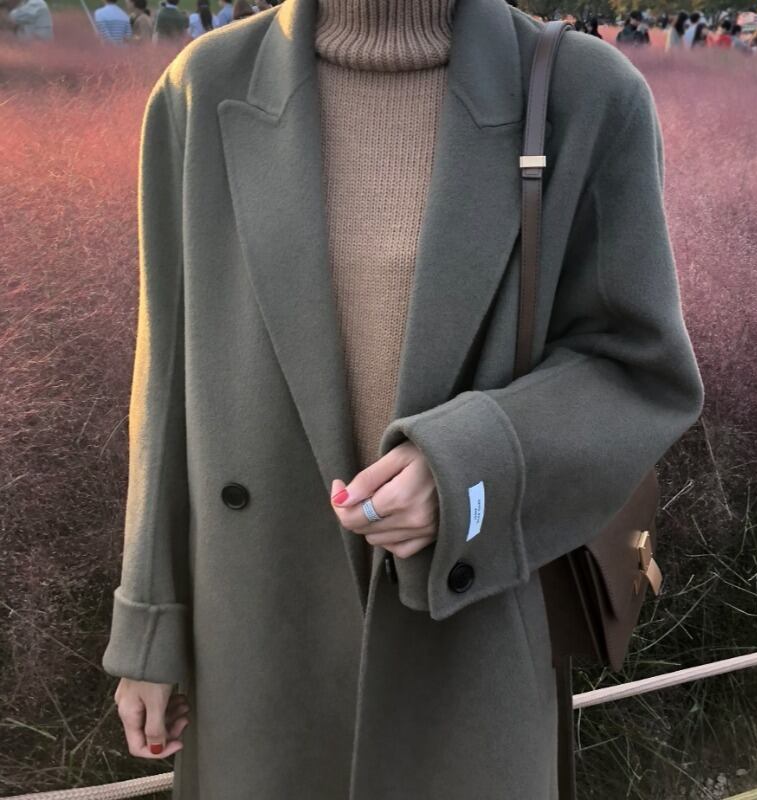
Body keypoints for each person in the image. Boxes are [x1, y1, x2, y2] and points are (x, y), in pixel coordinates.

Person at [101, 0, 705, 798]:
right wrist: (148, 626)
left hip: (473, 628)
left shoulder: (585, 94)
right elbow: (165, 382)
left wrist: (472, 468)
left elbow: (638, 369)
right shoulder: (202, 87)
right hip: (254, 631)